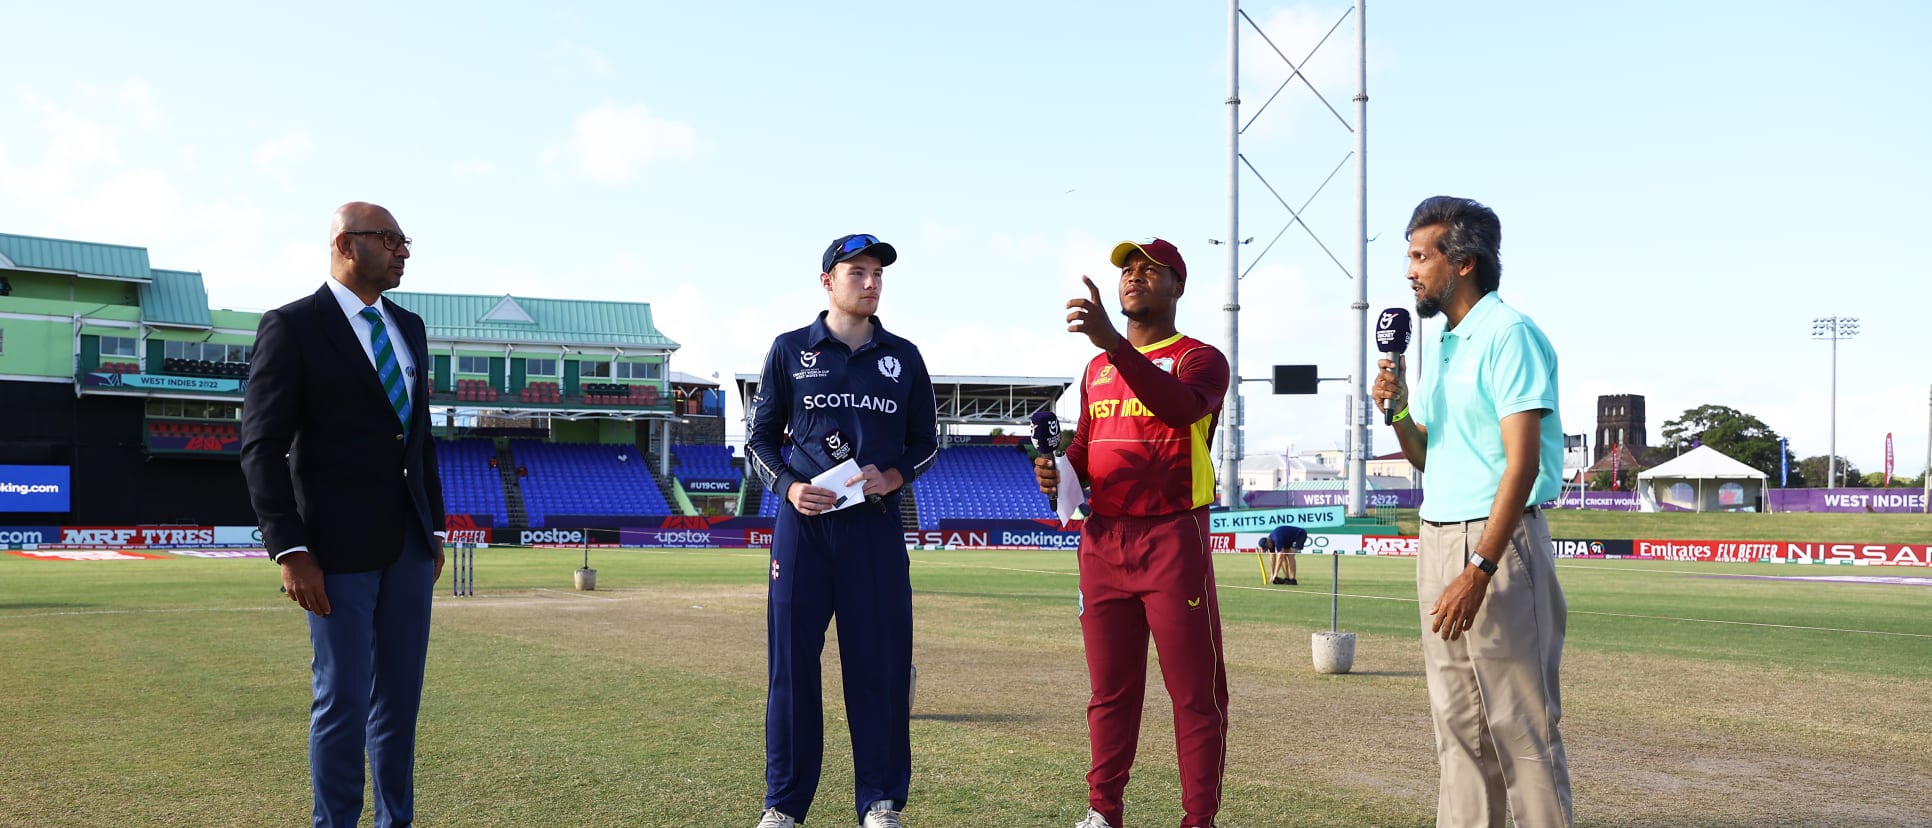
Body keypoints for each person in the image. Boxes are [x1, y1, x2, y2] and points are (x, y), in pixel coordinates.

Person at [240, 202, 445, 828]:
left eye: (404, 240)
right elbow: (261, 446)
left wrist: (434, 528)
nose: (403, 251)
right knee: (344, 701)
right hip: (333, 550)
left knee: (400, 703)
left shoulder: (409, 327)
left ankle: (395, 821)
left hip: (409, 544)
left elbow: (418, 437)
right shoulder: (292, 327)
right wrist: (290, 549)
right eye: (389, 239)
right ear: (345, 244)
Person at [1372, 196, 1572, 827]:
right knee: (1457, 728)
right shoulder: (1446, 344)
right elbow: (1431, 456)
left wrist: (1479, 568)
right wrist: (1399, 409)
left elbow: (1522, 465)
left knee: (1519, 728)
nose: (1409, 271)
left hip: (1497, 550)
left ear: (1461, 262)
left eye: (1419, 256)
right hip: (1438, 539)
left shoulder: (1508, 335)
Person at [1034, 238, 1230, 828]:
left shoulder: (1200, 359)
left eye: (1151, 270)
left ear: (1179, 287)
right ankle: (1102, 812)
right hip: (1104, 541)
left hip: (1173, 537)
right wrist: (1058, 471)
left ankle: (1197, 820)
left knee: (1194, 694)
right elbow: (1085, 453)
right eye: (1128, 269)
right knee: (1110, 693)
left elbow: (1176, 409)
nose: (1134, 276)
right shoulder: (1095, 369)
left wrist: (1114, 345)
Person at [744, 233, 939, 828]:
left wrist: (896, 476)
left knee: (877, 666)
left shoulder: (902, 357)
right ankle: (784, 804)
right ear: (828, 281)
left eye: (878, 273)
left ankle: (880, 803)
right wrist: (788, 488)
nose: (872, 282)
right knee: (792, 668)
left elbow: (929, 441)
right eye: (858, 271)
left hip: (874, 532)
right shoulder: (787, 351)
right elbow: (758, 441)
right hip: (803, 531)